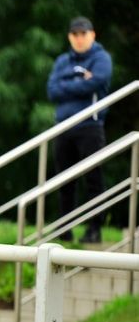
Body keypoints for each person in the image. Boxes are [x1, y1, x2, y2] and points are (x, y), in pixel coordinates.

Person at [46, 16, 113, 244]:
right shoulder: (62, 61)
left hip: (90, 127)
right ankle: (64, 229)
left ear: (92, 35)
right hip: (63, 127)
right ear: (69, 37)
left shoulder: (101, 58)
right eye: (74, 34)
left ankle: (95, 229)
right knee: (64, 181)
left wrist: (67, 84)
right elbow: (52, 91)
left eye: (83, 34)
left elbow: (97, 82)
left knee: (93, 179)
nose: (79, 38)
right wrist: (80, 81)